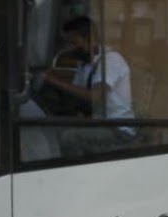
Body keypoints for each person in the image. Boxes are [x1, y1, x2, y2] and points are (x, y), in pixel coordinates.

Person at [40, 15, 135, 155]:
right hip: (98, 123)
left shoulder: (110, 60)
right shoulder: (85, 64)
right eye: (69, 43)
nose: (71, 48)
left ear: (89, 37)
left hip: (118, 130)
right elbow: (76, 94)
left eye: (74, 42)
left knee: (69, 138)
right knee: (51, 129)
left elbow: (94, 96)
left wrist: (54, 81)